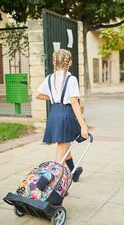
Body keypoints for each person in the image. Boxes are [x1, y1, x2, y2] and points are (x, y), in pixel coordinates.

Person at [36, 49, 89, 182]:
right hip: (65, 115)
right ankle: (53, 187)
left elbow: (36, 95)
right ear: (69, 62)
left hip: (54, 114)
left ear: (55, 62)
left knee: (64, 144)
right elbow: (74, 102)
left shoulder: (49, 78)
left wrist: (54, 98)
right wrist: (83, 126)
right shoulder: (71, 79)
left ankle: (74, 171)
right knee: (60, 157)